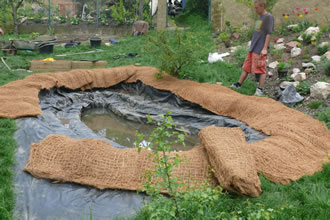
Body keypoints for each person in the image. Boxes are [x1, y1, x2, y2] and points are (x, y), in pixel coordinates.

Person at [231, 0, 274, 96]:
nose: (255, 9)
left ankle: (260, 89)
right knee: (246, 67)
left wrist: (265, 48)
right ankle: (238, 84)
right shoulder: (259, 17)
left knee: (261, 69)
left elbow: (269, 33)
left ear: (262, 6)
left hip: (260, 49)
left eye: (257, 7)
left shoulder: (268, 17)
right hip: (253, 48)